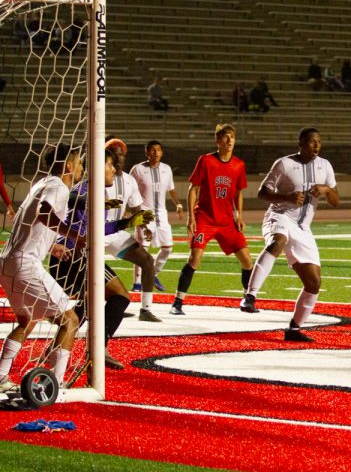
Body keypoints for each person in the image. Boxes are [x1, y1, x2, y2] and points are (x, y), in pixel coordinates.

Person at [50, 149, 149, 370]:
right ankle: (98, 349)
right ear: (96, 166)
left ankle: (56, 349)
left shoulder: (97, 194)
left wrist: (127, 223)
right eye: (110, 165)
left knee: (89, 305)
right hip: (73, 257)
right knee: (121, 296)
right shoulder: (86, 192)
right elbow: (75, 210)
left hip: (69, 257)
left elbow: (97, 228)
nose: (114, 169)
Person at [240, 128, 339, 341]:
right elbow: (262, 193)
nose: (317, 146)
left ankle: (294, 329)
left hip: (303, 227)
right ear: (301, 143)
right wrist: (287, 197)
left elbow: (336, 200)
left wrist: (327, 190)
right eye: (312, 142)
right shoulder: (284, 163)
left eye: (319, 142)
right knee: (278, 242)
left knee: (314, 283)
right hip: (279, 216)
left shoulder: (325, 166)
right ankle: (250, 295)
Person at [0, 144, 84, 390]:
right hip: (25, 264)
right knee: (70, 320)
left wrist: (51, 247)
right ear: (68, 165)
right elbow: (45, 213)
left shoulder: (41, 183)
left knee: (28, 320)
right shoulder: (58, 186)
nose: (81, 168)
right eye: (78, 162)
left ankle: (1, 376)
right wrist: (74, 236)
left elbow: (30, 222)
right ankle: (56, 383)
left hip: (7, 262)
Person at [169, 123, 254, 316]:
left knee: (247, 260)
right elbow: (193, 189)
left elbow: (239, 192)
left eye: (232, 137)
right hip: (205, 218)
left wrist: (239, 215)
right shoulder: (206, 161)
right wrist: (191, 217)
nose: (229, 140)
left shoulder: (239, 164)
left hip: (226, 220)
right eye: (225, 137)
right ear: (217, 140)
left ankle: (247, 299)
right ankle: (177, 302)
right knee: (194, 259)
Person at [104, 138, 161, 322]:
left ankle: (145, 309)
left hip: (115, 231)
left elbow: (137, 207)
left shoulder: (129, 181)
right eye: (114, 154)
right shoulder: (96, 177)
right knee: (88, 273)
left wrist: (145, 226)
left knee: (147, 260)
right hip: (93, 234)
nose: (119, 158)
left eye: (121, 154)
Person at [129, 140, 185, 292]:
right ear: (146, 152)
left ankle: (153, 273)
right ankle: (137, 283)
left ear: (162, 152)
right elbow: (130, 189)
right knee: (143, 250)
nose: (156, 153)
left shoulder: (167, 169)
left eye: (158, 150)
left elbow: (171, 189)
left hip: (162, 215)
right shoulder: (138, 169)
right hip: (144, 214)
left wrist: (178, 204)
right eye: (152, 150)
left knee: (167, 248)